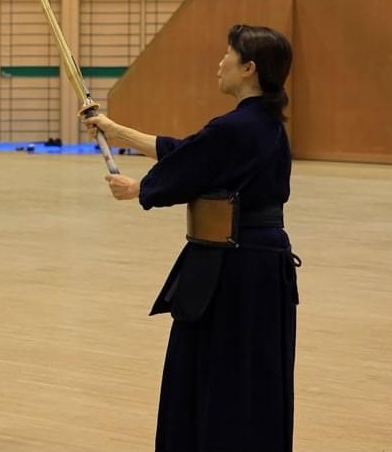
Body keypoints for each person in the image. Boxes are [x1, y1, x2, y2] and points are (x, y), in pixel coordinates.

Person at [84, 24, 298, 452]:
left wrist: (140, 190)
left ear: (249, 69)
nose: (220, 63)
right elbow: (189, 152)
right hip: (259, 266)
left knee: (220, 371)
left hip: (234, 272)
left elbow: (190, 163)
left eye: (228, 56)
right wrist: (114, 128)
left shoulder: (237, 128)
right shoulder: (262, 124)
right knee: (254, 373)